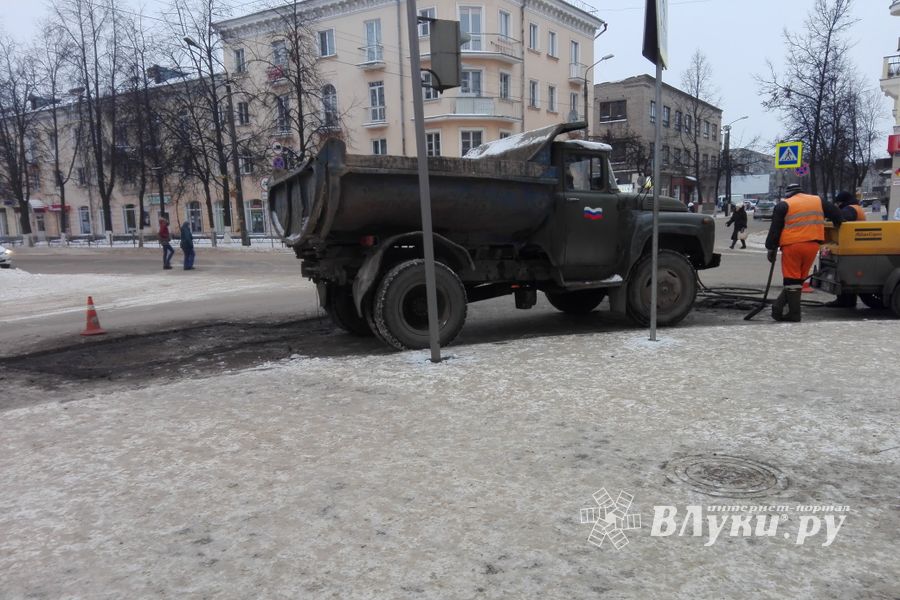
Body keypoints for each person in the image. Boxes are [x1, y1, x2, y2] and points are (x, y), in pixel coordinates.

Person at [765, 183, 842, 322]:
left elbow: (775, 229)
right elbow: (837, 214)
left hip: (792, 245)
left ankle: (794, 313)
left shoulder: (784, 205)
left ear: (788, 194)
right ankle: (779, 307)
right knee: (798, 280)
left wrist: (771, 248)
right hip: (813, 245)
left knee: (791, 279)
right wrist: (838, 225)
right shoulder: (817, 200)